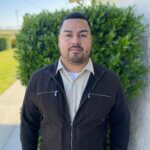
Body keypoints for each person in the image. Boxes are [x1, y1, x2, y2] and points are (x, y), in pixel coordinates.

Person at [20, 12, 130, 150]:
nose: (75, 41)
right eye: (68, 35)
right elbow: (28, 124)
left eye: (83, 35)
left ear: (91, 40)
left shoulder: (110, 81)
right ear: (58, 40)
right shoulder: (38, 80)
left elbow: (121, 125)